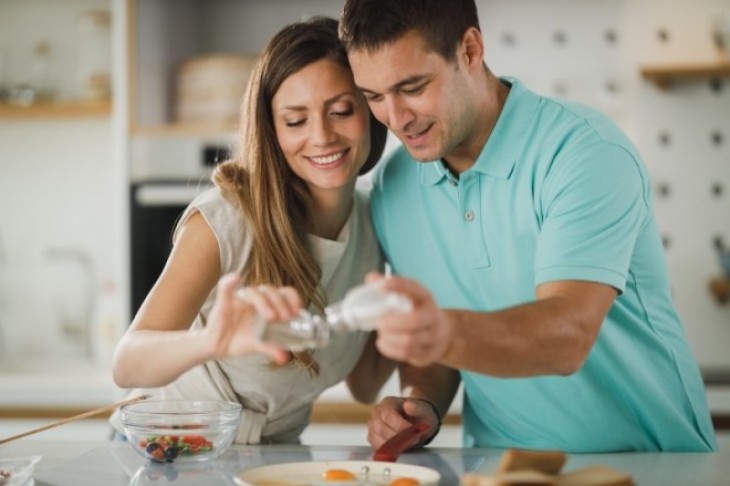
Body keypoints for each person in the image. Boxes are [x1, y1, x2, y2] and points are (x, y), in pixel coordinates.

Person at [339, 0, 717, 453]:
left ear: (471, 49)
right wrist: (422, 404)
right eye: (374, 97)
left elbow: (567, 336)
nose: (396, 119)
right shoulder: (392, 186)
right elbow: (441, 350)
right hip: (502, 468)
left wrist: (440, 332)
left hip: (652, 464)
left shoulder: (583, 152)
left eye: (413, 86)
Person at [110, 16, 391, 444]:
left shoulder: (377, 224)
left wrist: (418, 306)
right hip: (166, 447)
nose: (322, 136)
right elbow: (127, 363)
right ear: (271, 130)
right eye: (295, 121)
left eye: (340, 111)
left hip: (270, 458)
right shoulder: (226, 220)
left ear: (372, 111)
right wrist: (211, 341)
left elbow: (366, 384)